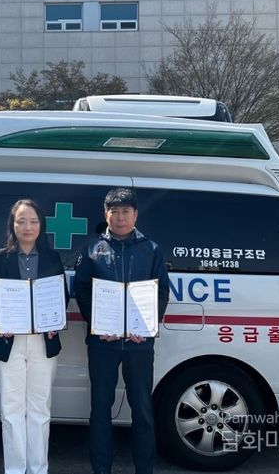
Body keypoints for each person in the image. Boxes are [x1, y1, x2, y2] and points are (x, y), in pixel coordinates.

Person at [74, 188, 169, 474]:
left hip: (139, 343)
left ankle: (144, 469)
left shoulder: (151, 249)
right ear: (106, 215)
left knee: (142, 409)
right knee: (100, 409)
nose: (120, 218)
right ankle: (101, 469)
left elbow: (161, 292)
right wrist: (98, 325)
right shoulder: (92, 249)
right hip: (103, 342)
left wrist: (147, 327)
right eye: (114, 212)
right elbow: (81, 289)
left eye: (126, 211)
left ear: (135, 215)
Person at [0, 199, 69, 474]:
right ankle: (16, 470)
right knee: (11, 410)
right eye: (21, 221)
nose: (27, 227)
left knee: (40, 410)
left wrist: (54, 320)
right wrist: (1, 317)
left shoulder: (52, 258)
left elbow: (61, 295)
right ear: (13, 225)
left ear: (41, 225)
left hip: (43, 341)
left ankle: (39, 469)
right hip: (9, 342)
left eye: (33, 221)